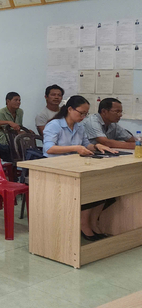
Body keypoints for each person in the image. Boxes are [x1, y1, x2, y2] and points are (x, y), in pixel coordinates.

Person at [42, 95, 116, 241]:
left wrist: (96, 146)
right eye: (81, 113)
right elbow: (49, 148)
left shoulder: (79, 126)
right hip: (55, 168)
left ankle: (93, 223)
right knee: (90, 189)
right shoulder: (54, 125)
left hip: (75, 167)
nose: (83, 117)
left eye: (85, 114)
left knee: (103, 189)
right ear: (69, 109)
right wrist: (76, 148)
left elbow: (85, 144)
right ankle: (84, 224)